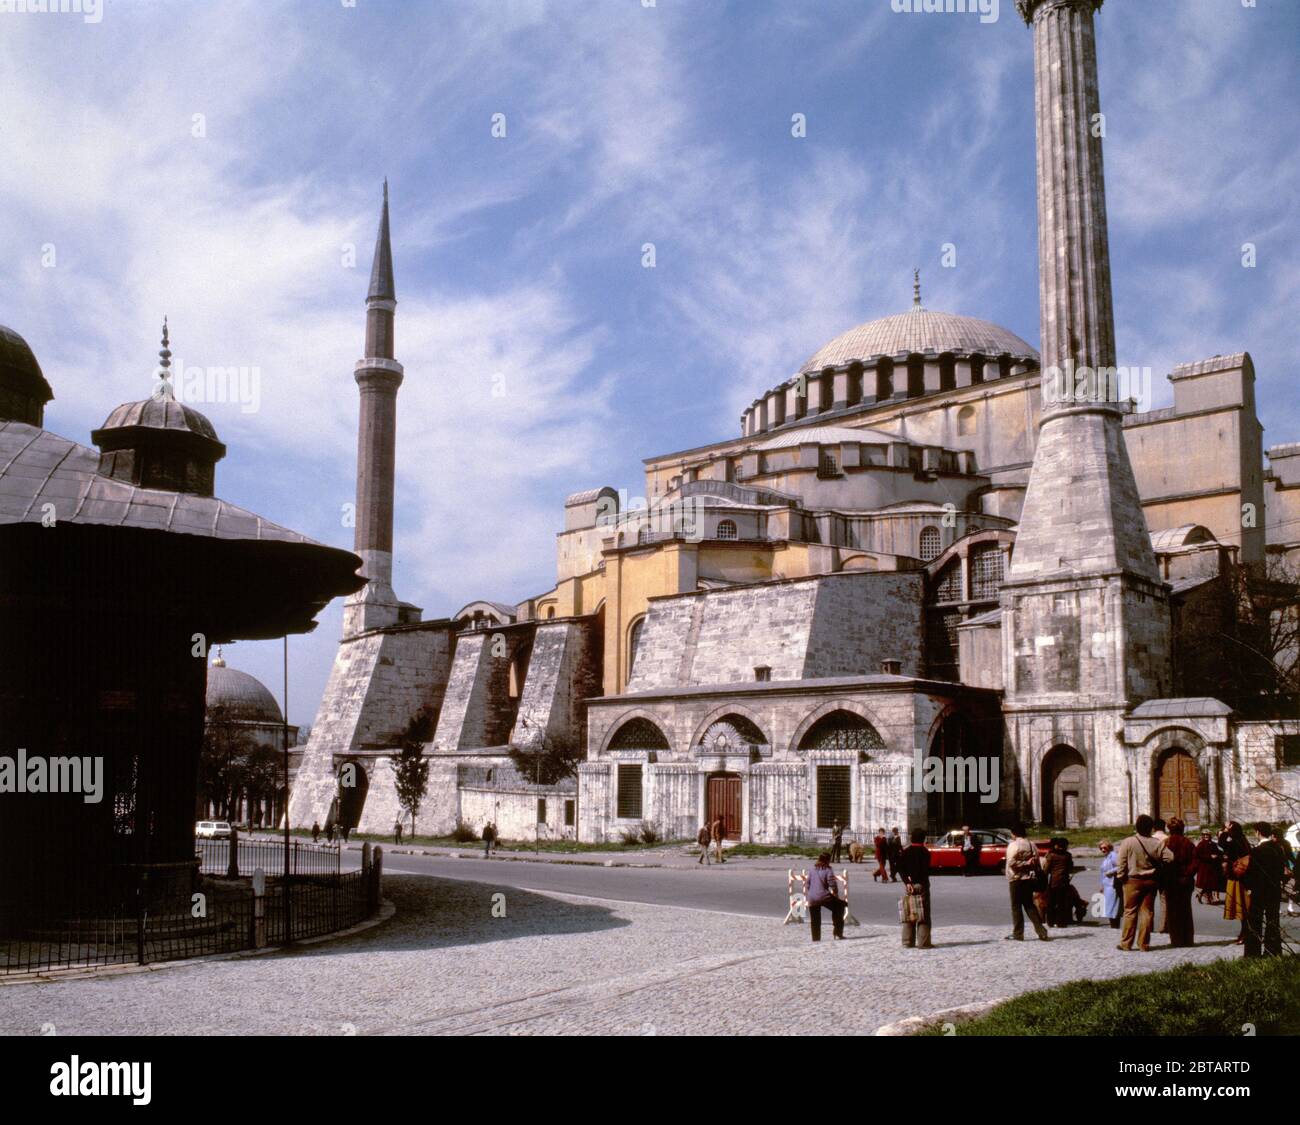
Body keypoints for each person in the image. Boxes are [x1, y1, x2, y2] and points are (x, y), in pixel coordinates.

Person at [1114, 814, 1173, 952]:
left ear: (1137, 826)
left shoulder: (1128, 842)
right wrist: (1158, 867)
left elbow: (1121, 863)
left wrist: (1121, 877)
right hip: (1151, 881)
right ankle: (1143, 944)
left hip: (1132, 880)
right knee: (1147, 912)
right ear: (1150, 828)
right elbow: (1170, 857)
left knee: (1130, 912)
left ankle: (1126, 943)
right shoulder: (1156, 842)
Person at [1244, 822, 1285, 957]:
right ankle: (1273, 951)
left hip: (1258, 890)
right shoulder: (1278, 848)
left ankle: (1253, 953)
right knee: (1273, 921)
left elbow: (1251, 873)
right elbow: (1281, 870)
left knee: (1255, 921)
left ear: (1258, 833)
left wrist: (1248, 887)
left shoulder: (1256, 851)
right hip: (1274, 889)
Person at [1005, 822, 1050, 941]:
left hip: (1016, 879)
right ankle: (1041, 930)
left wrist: (1023, 863)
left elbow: (1011, 863)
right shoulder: (1031, 844)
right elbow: (1036, 862)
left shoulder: (1014, 845)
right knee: (1029, 905)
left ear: (1014, 833)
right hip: (1029, 879)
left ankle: (1018, 933)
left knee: (1016, 907)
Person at [1162, 817, 1197, 948]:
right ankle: (1187, 939)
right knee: (1186, 910)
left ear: (1169, 829)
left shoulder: (1165, 843)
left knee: (1172, 911)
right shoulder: (1188, 843)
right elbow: (1195, 862)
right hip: (1185, 881)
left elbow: (1162, 862)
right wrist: (1188, 874)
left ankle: (1176, 940)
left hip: (1171, 881)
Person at [898, 827, 933, 949]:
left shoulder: (906, 852)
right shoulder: (925, 852)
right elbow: (926, 870)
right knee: (924, 913)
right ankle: (923, 942)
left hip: (910, 885)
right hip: (922, 884)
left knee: (909, 911)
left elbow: (900, 868)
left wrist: (907, 882)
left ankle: (907, 941)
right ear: (923, 839)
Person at [1219, 821, 1251, 944]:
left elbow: (1222, 844)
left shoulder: (1235, 841)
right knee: (1243, 908)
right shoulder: (1241, 839)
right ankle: (1244, 933)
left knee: (1242, 907)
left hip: (1238, 878)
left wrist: (1224, 833)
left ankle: (1246, 934)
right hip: (1240, 877)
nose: (1224, 829)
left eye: (1227, 827)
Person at [805, 852, 846, 942]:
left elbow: (807, 884)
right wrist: (835, 893)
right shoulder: (828, 869)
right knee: (840, 906)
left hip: (812, 897)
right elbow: (832, 883)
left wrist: (812, 892)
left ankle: (816, 938)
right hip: (824, 896)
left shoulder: (812, 869)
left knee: (815, 919)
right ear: (828, 860)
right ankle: (838, 932)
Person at [1043, 837, 1076, 927]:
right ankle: (1061, 922)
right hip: (1064, 881)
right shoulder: (1068, 855)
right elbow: (1070, 867)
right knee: (1062, 903)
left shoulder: (1051, 855)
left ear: (1057, 845)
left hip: (1054, 881)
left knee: (1051, 902)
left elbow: (1046, 869)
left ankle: (1051, 921)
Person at [1193, 830, 1223, 905]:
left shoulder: (1213, 844)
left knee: (1210, 884)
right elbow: (1197, 855)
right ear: (1202, 836)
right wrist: (1209, 856)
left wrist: (1218, 855)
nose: (1206, 836)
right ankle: (1208, 898)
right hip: (1204, 867)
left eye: (1207, 835)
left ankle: (1203, 895)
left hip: (1212, 867)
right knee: (1206, 884)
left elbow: (1218, 852)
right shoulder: (1200, 844)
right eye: (1205, 835)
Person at [1098, 840, 1122, 928]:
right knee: (1109, 907)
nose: (1103, 850)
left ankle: (1115, 926)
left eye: (1104, 847)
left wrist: (1110, 872)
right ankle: (1113, 926)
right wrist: (1102, 886)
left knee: (1113, 907)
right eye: (1101, 848)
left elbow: (1120, 866)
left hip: (1113, 885)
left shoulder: (1113, 855)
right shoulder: (1107, 857)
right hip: (1107, 885)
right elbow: (1102, 873)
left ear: (1109, 847)